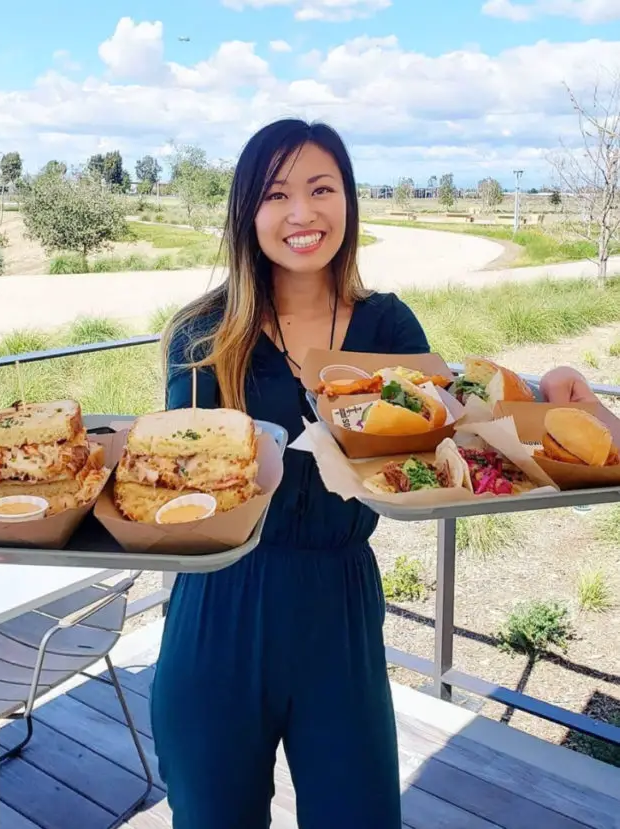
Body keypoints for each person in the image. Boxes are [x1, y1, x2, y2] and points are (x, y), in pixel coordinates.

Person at [149, 117, 595, 829]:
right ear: (246, 213)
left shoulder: (386, 328)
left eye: (322, 188)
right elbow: (170, 476)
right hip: (217, 609)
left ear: (349, 202)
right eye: (276, 194)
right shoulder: (203, 334)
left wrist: (548, 390)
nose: (302, 212)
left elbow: (456, 415)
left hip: (339, 605)